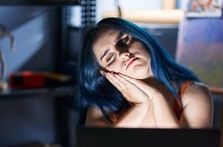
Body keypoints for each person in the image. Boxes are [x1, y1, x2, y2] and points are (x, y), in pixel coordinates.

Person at [75, 17, 213, 128]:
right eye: (110, 57)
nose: (123, 54)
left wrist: (156, 98)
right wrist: (141, 105)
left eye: (124, 40)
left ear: (141, 38)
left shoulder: (193, 93)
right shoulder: (102, 107)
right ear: (105, 73)